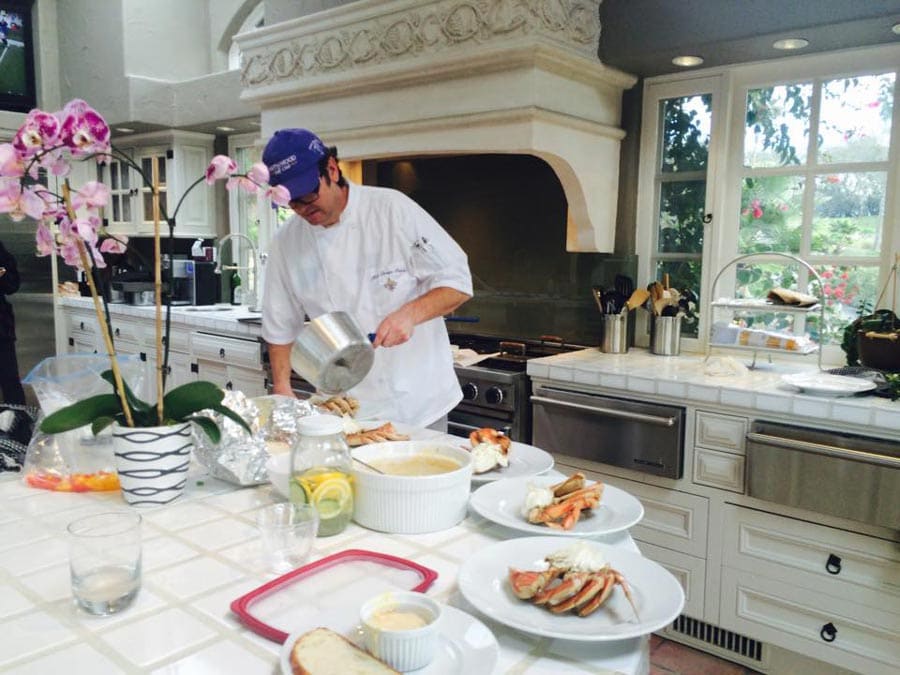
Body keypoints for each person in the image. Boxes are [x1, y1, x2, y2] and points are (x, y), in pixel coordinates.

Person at [260, 129, 472, 429]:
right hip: (343, 408)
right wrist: (282, 389)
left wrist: (409, 315)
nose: (303, 209)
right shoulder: (287, 242)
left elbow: (458, 282)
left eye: (308, 196)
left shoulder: (391, 210)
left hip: (417, 404)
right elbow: (280, 328)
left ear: (331, 169)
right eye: (291, 203)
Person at [0, 240, 26, 405]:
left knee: (9, 378)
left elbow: (12, 285)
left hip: (1, 328)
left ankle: (17, 424)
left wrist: (2, 273)